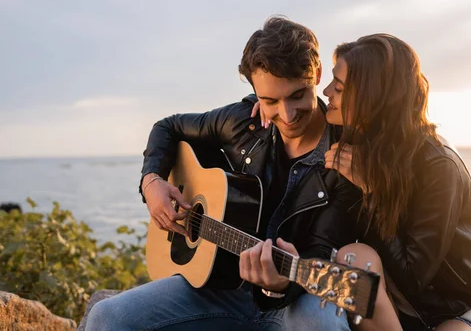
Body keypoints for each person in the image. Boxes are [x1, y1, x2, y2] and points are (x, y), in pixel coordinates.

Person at [84, 17, 363, 331]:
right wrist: (152, 182)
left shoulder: (347, 157)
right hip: (222, 289)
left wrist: (282, 284)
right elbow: (169, 127)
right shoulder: (242, 122)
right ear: (255, 91)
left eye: (298, 95)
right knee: (105, 318)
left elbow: (321, 252)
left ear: (318, 75)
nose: (287, 115)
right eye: (271, 100)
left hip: (297, 298)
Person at [318, 34, 471, 330]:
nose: (327, 91)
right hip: (387, 306)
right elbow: (296, 113)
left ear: (372, 98)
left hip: (448, 308)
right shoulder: (354, 145)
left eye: (339, 87)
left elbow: (414, 279)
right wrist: (258, 107)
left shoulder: (438, 165)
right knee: (353, 258)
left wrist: (372, 191)